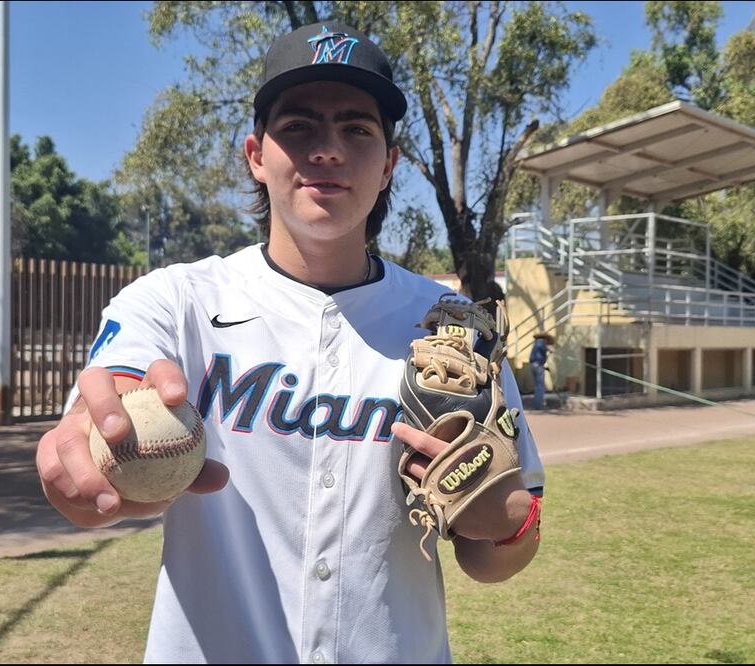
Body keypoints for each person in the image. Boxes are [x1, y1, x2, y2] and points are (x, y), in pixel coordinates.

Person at [36, 21, 545, 664]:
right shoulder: (178, 300)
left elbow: (502, 552)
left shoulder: (453, 328)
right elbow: (106, 413)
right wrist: (83, 467)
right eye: (298, 126)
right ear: (256, 154)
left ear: (389, 164)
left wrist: (503, 521)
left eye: (357, 129)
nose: (327, 150)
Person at [530, 333, 553, 410]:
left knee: (537, 386)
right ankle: (539, 405)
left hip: (535, 365)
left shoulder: (537, 343)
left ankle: (537, 403)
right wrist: (548, 349)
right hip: (537, 365)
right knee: (540, 386)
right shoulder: (540, 342)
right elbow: (541, 348)